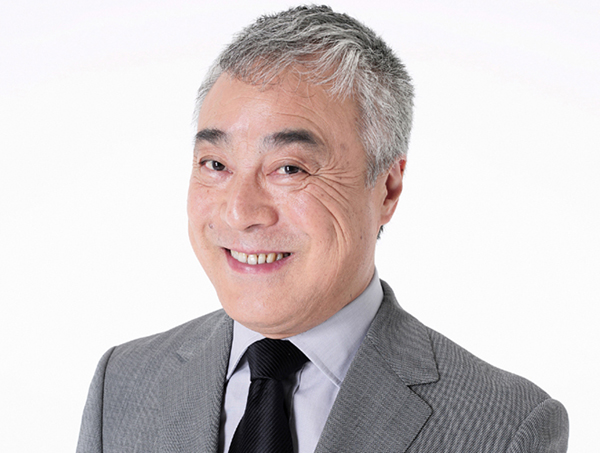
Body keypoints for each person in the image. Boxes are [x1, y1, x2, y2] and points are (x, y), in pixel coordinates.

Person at [76, 5, 568, 453]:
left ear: (387, 189)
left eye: (289, 168)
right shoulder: (123, 384)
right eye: (216, 164)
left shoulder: (507, 428)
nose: (240, 212)